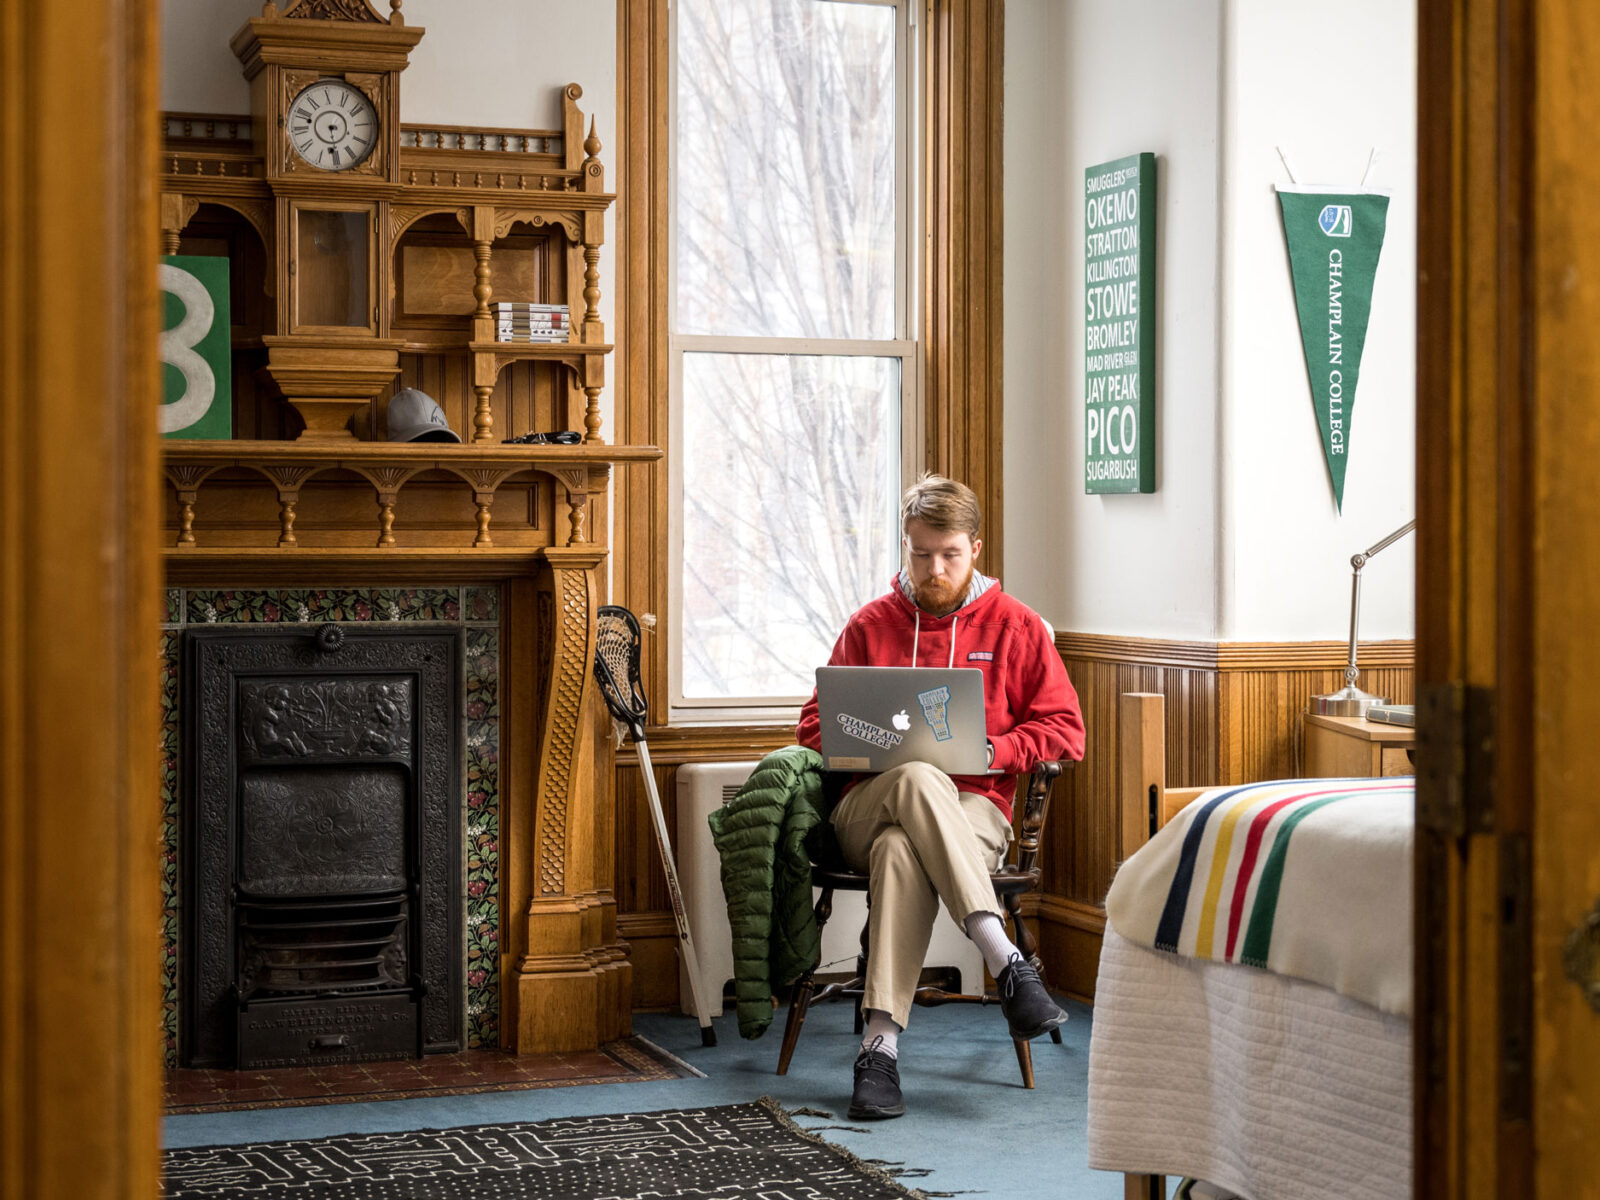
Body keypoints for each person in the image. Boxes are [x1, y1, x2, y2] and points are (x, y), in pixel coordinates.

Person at [796, 474, 1086, 1120]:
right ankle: (1004, 957)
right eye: (921, 553)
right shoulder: (869, 625)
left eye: (949, 553)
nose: (934, 568)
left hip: (976, 807)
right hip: (868, 805)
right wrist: (873, 744)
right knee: (918, 776)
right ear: (905, 546)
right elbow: (813, 724)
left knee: (904, 850)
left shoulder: (1016, 627)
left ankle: (880, 1049)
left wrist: (993, 753)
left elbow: (1067, 730)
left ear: (976, 548)